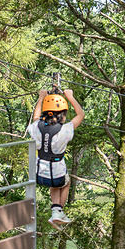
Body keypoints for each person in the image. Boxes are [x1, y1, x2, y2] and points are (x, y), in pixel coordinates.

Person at [28, 88, 84, 230]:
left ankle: (56, 211)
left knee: (54, 183)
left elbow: (35, 118)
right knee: (64, 182)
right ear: (62, 116)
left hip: (40, 174)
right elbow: (81, 114)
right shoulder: (65, 130)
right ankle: (58, 211)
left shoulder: (37, 128)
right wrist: (70, 96)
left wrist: (41, 97)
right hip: (57, 173)